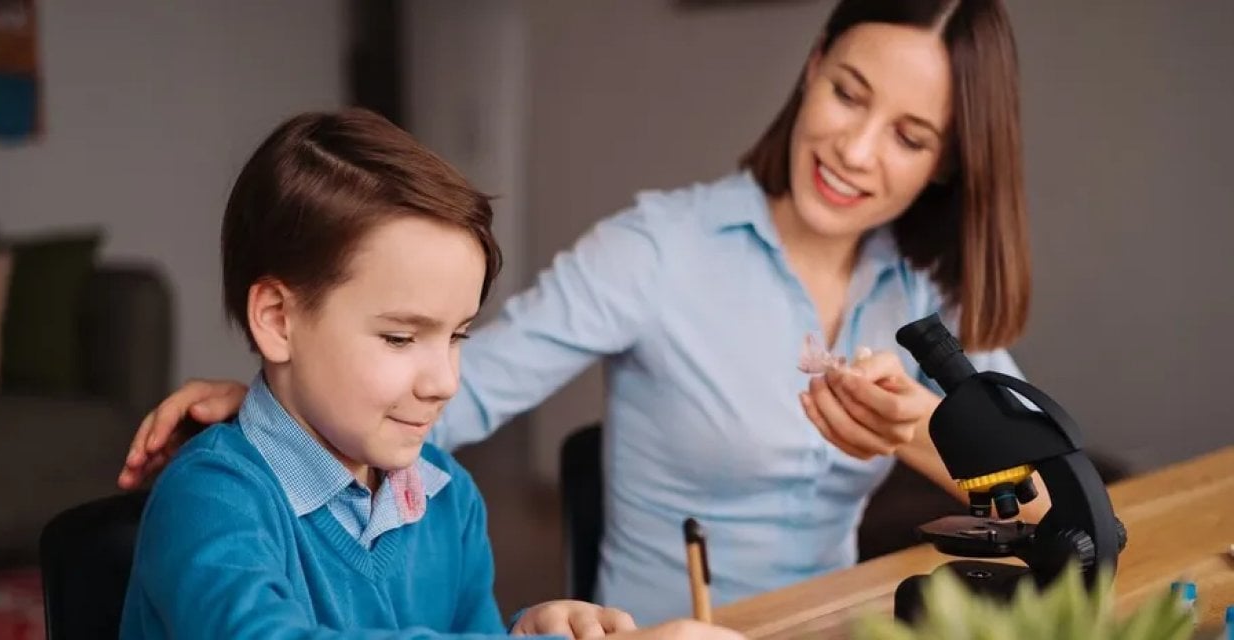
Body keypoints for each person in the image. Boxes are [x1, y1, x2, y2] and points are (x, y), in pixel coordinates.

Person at [119, 0, 1052, 625]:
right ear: (811, 69)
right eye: (848, 92)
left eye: (909, 135)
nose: (854, 148)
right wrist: (278, 397)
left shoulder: (929, 292)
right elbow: (451, 393)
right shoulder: (659, 249)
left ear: (949, 162)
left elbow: (1052, 502)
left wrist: (918, 432)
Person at [118, 108, 743, 640]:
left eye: (458, 336)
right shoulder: (210, 500)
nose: (444, 380)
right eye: (400, 337)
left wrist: (525, 630)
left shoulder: (449, 499)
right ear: (279, 320)